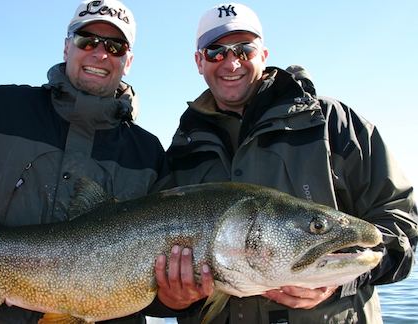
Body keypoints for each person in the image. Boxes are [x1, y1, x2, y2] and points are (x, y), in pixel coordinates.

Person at [0, 0, 172, 323]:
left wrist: (176, 295)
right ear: (67, 47)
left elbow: (162, 293)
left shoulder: (149, 153)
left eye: (115, 46)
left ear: (128, 61)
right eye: (88, 40)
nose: (100, 54)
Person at [161, 2, 418, 323]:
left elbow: (403, 224)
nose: (231, 62)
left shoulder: (334, 123)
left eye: (244, 49)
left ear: (264, 55)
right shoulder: (183, 148)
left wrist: (341, 282)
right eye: (216, 51)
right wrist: (174, 300)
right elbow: (155, 280)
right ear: (199, 62)